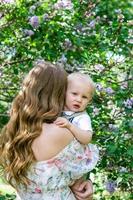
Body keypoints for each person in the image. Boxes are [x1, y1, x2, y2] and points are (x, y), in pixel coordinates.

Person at [0, 61, 98, 200]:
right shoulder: (62, 132)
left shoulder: (13, 133)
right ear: (57, 94)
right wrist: (87, 183)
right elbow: (78, 179)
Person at [54, 72, 95, 145]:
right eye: (74, 94)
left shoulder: (82, 117)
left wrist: (70, 126)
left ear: (89, 101)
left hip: (69, 154)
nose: (79, 100)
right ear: (64, 92)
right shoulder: (56, 108)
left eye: (84, 97)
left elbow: (87, 139)